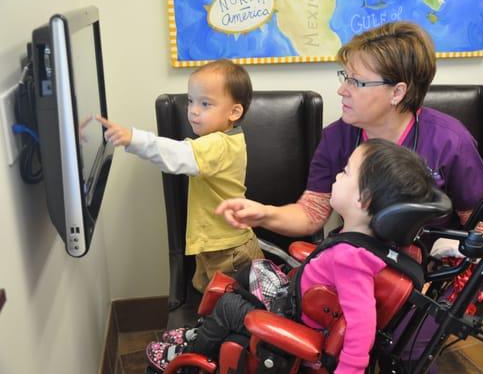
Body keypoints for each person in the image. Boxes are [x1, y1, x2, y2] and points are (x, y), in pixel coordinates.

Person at [146, 139, 436, 373]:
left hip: (295, 322)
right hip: (294, 299)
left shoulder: (351, 259)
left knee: (229, 304)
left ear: (364, 200)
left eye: (346, 172)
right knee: (253, 268)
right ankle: (205, 332)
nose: (337, 175)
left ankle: (191, 355)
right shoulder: (362, 243)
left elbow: (362, 325)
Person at [215, 21, 483, 240]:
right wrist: (264, 214)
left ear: (397, 92)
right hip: (356, 263)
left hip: (428, 280)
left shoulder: (449, 141)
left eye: (356, 82)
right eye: (344, 77)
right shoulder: (338, 137)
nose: (342, 90)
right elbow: (313, 212)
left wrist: (448, 271)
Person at [97, 59, 263, 292]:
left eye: (205, 104)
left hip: (229, 251)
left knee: (229, 309)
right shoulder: (227, 139)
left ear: (234, 112)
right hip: (217, 244)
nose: (194, 110)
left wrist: (133, 138)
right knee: (212, 301)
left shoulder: (219, 144)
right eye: (191, 101)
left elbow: (176, 156)